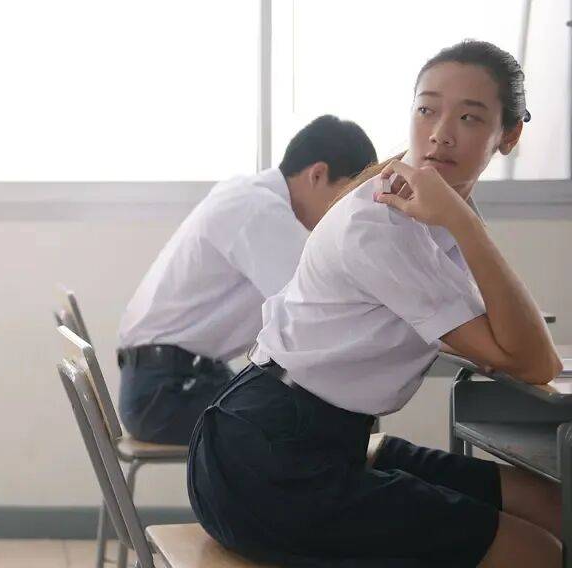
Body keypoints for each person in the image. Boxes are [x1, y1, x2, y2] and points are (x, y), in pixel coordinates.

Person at [188, 40, 562, 566]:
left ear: (509, 134)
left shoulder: (430, 210)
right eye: (427, 110)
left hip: (324, 440)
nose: (441, 132)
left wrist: (459, 218)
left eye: (469, 117)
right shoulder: (383, 222)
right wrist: (462, 219)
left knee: (554, 506)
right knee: (535, 551)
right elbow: (535, 363)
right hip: (269, 461)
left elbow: (511, 343)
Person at [117, 115, 376, 444]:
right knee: (316, 428)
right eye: (346, 199)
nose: (345, 216)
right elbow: (316, 307)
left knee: (314, 418)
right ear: (317, 174)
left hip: (173, 380)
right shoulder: (259, 209)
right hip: (167, 394)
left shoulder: (250, 197)